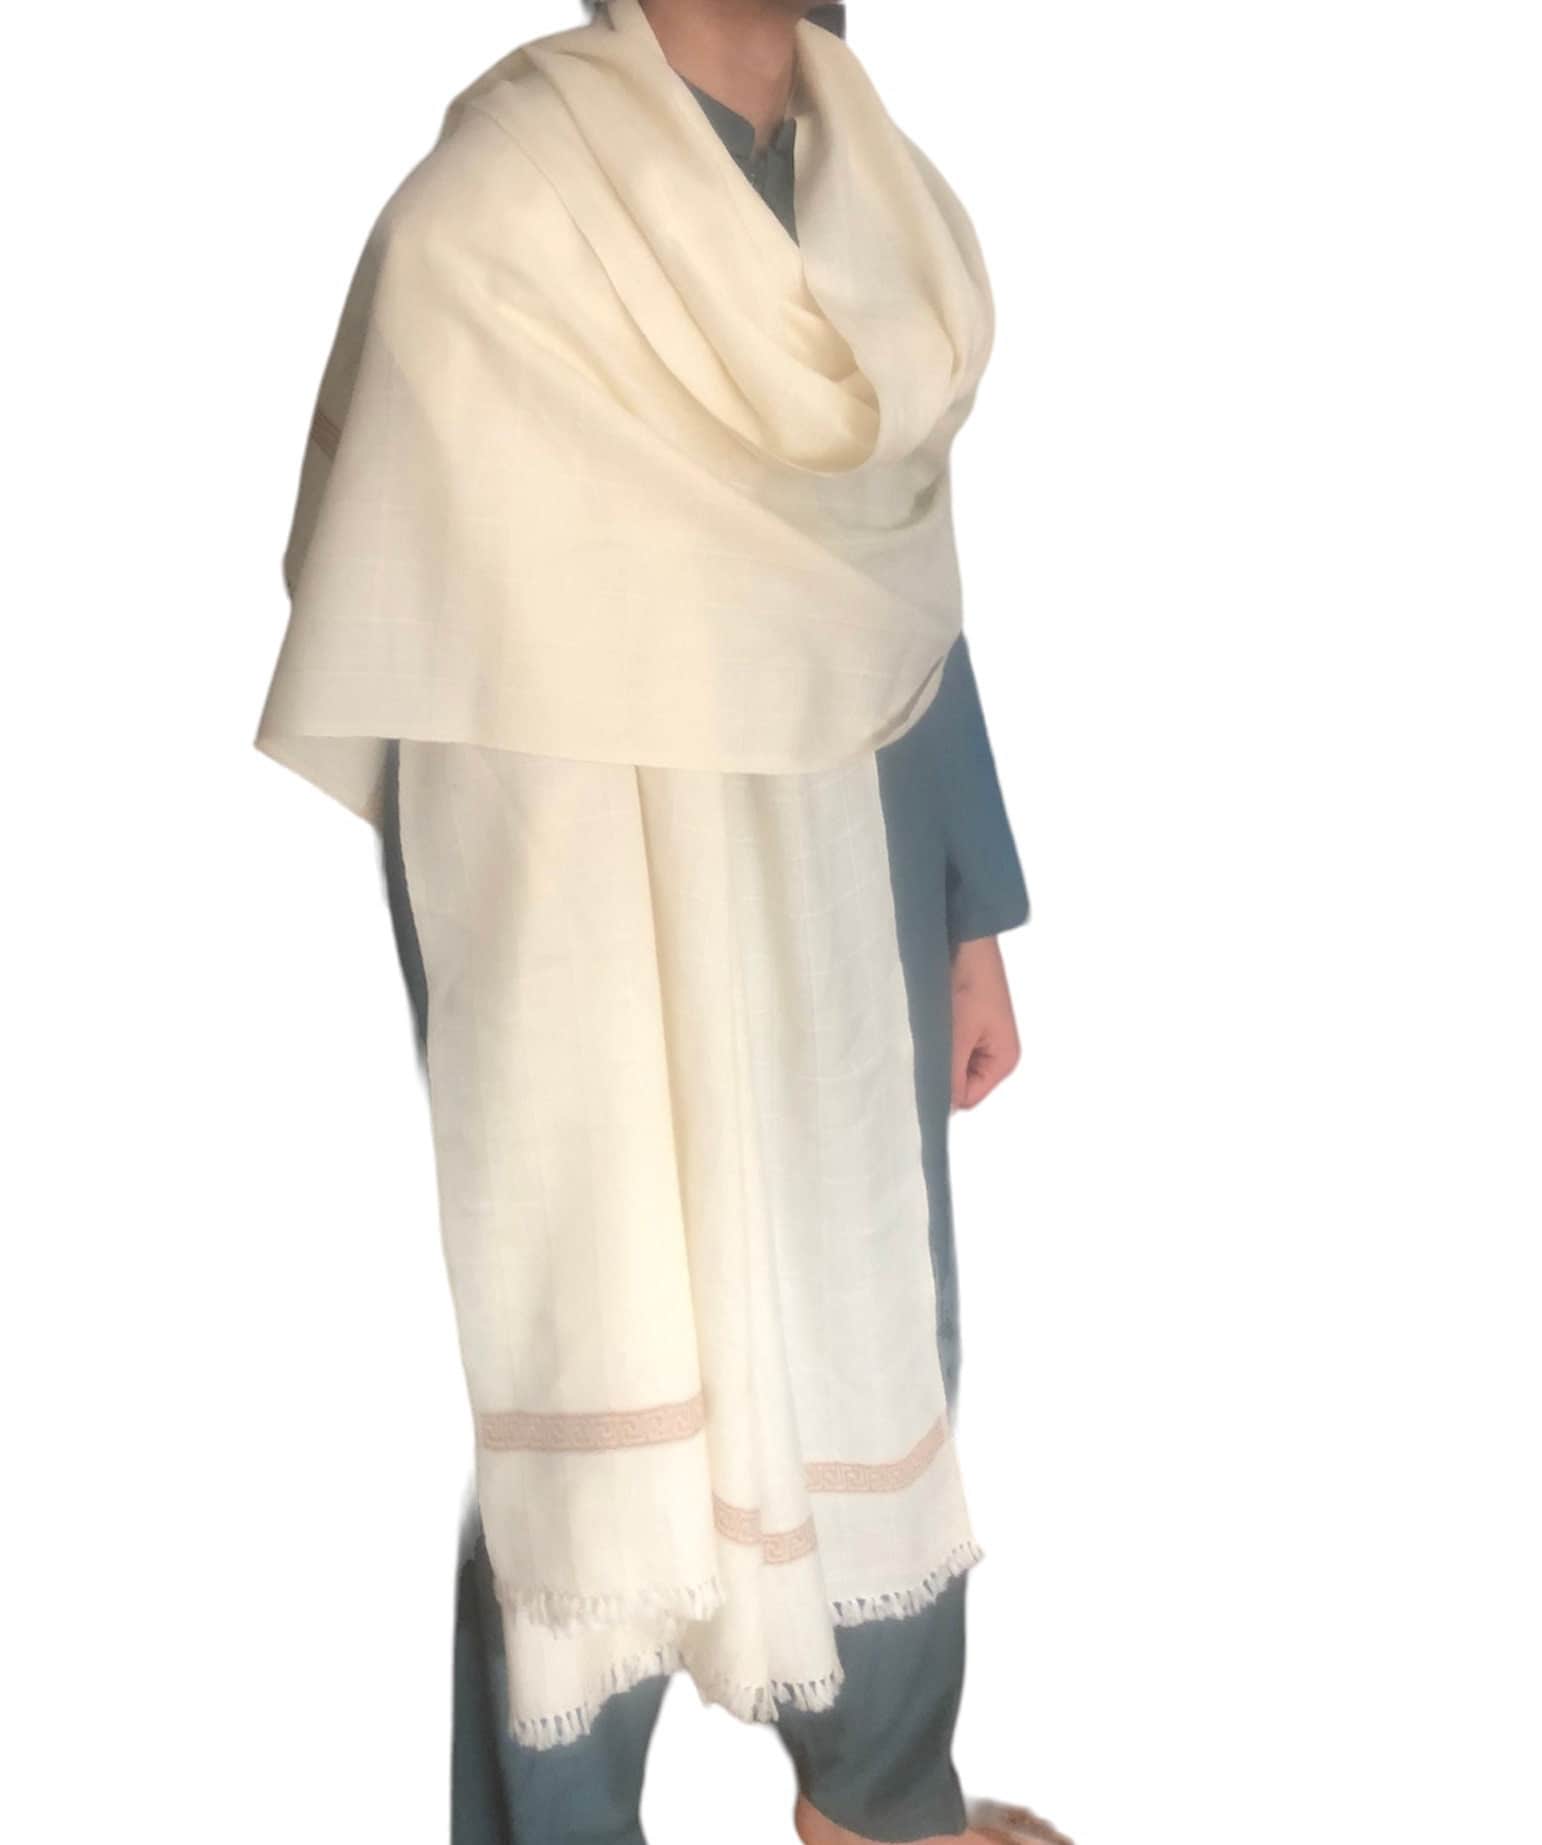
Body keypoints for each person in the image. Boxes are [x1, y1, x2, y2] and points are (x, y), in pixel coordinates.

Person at [258, 4, 1069, 1842]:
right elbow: (409, 622)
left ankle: (882, 1796)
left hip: (853, 857)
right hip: (582, 908)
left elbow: (892, 598)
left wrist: (970, 905)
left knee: (880, 1316)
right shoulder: (496, 212)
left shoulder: (882, 201)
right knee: (599, 1361)